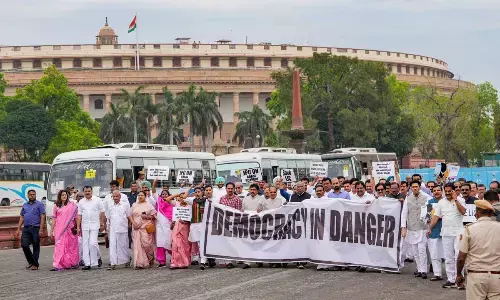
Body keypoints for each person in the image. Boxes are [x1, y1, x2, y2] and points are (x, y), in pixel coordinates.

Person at [456, 200, 500, 299]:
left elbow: (461, 257)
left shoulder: (469, 229)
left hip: (476, 275)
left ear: (477, 212)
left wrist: (459, 274)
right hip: (497, 275)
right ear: (490, 214)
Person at [401, 180, 430, 279]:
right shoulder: (407, 199)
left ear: (419, 187)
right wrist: (403, 228)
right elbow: (404, 213)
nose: (415, 188)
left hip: (422, 227)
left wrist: (428, 222)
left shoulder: (426, 197)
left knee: (422, 250)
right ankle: (419, 269)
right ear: (410, 188)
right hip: (411, 228)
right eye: (413, 187)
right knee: (415, 251)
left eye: (416, 187)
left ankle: (424, 270)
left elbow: (430, 211)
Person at [76, 186, 105, 270]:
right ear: (83, 192)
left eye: (89, 191)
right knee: (85, 244)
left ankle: (96, 259)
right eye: (86, 191)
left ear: (92, 191)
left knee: (93, 243)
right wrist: (78, 227)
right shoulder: (81, 202)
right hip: (84, 225)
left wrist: (102, 223)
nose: (87, 193)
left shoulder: (97, 200)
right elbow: (79, 215)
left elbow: (102, 211)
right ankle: (87, 263)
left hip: (95, 225)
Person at [16, 189, 46, 270]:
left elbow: (42, 216)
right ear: (28, 195)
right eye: (31, 194)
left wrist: (41, 229)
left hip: (35, 228)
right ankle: (31, 262)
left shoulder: (39, 204)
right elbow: (22, 217)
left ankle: (35, 264)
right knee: (24, 245)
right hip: (26, 228)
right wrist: (18, 229)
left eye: (34, 194)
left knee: (36, 246)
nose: (32, 196)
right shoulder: (25, 205)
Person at [50, 190, 79, 271]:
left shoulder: (72, 205)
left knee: (70, 247)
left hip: (70, 229)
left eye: (65, 195)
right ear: (59, 196)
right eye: (62, 195)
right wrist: (51, 230)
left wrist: (77, 227)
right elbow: (54, 219)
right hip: (59, 230)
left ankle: (71, 263)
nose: (64, 196)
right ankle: (57, 264)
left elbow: (76, 217)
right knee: (59, 246)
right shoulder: (56, 206)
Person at [129, 191, 156, 269]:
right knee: (138, 246)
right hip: (136, 228)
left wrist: (146, 217)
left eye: (142, 195)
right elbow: (129, 215)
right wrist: (133, 223)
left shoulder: (149, 205)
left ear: (145, 196)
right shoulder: (134, 205)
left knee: (147, 245)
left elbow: (154, 216)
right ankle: (139, 263)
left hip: (145, 228)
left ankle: (150, 258)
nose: (140, 197)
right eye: (139, 195)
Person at [219, 182, 243, 268]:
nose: (230, 190)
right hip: (224, 223)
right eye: (228, 188)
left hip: (234, 223)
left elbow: (239, 212)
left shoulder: (237, 199)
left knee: (234, 242)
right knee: (226, 242)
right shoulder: (221, 199)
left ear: (234, 189)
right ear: (226, 189)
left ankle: (234, 260)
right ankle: (228, 261)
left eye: (231, 188)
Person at [106, 190, 131, 270]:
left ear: (120, 197)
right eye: (114, 196)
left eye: (117, 196)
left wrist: (130, 225)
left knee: (123, 245)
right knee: (112, 245)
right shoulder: (110, 205)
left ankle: (127, 259)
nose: (115, 198)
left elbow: (129, 216)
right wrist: (107, 227)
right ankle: (113, 263)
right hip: (113, 228)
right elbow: (108, 217)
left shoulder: (125, 205)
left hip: (123, 227)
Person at [425, 186, 444, 281]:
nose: (436, 192)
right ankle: (437, 274)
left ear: (442, 191)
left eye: (438, 190)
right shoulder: (430, 203)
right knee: (434, 254)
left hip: (445, 231)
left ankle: (453, 274)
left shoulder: (446, 201)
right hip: (433, 231)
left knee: (448, 255)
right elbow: (427, 217)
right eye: (434, 190)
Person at [170, 195, 192, 269]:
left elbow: (191, 218)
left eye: (183, 197)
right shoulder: (177, 206)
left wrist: (186, 221)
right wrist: (173, 222)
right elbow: (174, 217)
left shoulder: (189, 206)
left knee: (185, 245)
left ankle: (184, 262)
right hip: (176, 227)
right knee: (175, 244)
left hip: (185, 228)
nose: (182, 199)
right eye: (181, 197)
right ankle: (174, 263)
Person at [155, 190, 175, 268]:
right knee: (160, 243)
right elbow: (153, 191)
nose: (164, 195)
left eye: (166, 194)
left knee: (169, 242)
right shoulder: (158, 202)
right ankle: (161, 261)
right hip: (159, 226)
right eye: (162, 194)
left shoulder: (172, 203)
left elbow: (175, 214)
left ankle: (174, 258)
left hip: (169, 225)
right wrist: (155, 182)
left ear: (169, 195)